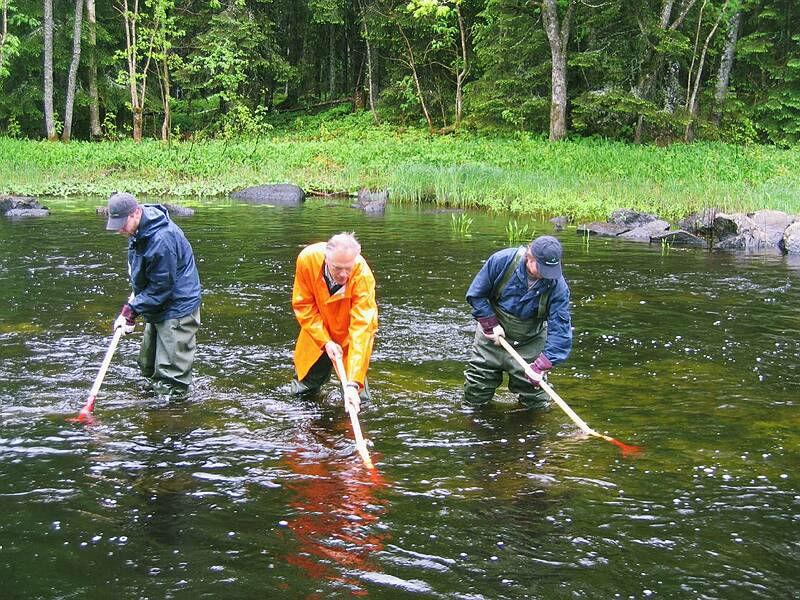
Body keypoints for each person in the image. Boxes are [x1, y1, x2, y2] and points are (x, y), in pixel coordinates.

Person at [105, 192, 201, 400]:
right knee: (148, 366)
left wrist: (132, 310)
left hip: (177, 309)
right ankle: (151, 406)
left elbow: (161, 287)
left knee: (171, 377)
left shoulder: (161, 239)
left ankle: (172, 417)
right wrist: (134, 306)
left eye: (122, 223)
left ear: (136, 212)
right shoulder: (140, 231)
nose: (120, 229)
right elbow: (148, 276)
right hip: (157, 305)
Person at [464, 235, 572, 408]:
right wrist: (490, 324)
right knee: (477, 389)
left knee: (534, 398)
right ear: (530, 257)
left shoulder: (558, 287)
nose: (548, 275)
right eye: (543, 268)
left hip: (530, 342)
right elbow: (476, 294)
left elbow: (560, 330)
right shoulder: (502, 261)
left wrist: (541, 366)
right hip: (491, 338)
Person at [291, 232, 378, 413]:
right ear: (326, 258)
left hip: (349, 340)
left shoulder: (363, 276)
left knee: (359, 401)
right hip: (317, 335)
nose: (344, 274)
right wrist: (325, 341)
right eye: (337, 268)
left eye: (348, 268)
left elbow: (363, 327)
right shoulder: (307, 260)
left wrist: (353, 384)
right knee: (303, 392)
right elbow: (304, 305)